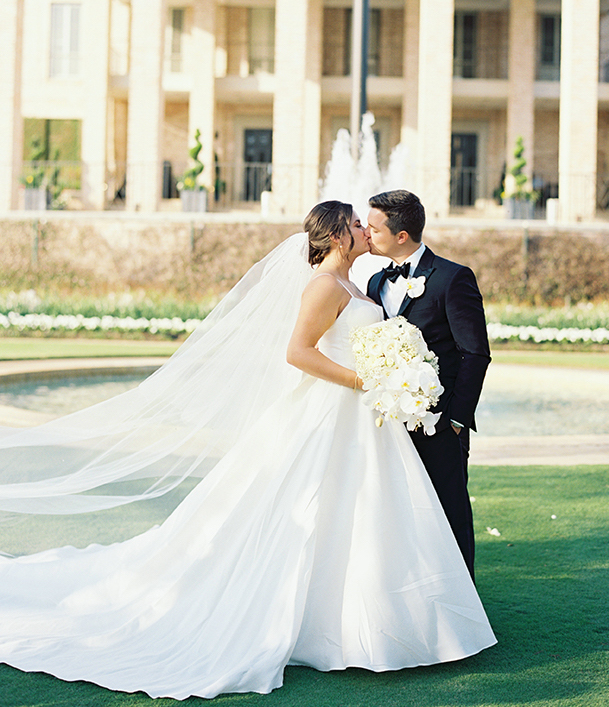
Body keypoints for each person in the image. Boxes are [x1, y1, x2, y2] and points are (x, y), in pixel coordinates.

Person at [0, 201, 495, 699]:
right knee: (318, 504)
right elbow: (298, 352)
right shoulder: (325, 285)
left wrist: (391, 379)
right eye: (356, 224)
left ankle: (386, 616)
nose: (365, 230)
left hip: (367, 414)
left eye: (369, 224)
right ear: (339, 236)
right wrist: (364, 379)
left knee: (366, 513)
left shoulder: (359, 284)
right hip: (340, 405)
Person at [366, 190, 491, 580]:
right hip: (388, 425)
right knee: (399, 517)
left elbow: (475, 353)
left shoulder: (452, 278)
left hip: (440, 425)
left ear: (401, 235)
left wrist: (455, 420)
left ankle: (464, 613)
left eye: (374, 227)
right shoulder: (372, 283)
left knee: (449, 515)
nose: (367, 234)